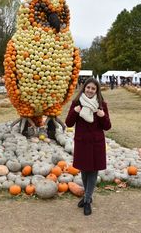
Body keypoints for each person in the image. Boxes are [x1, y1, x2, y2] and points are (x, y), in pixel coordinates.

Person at [65, 77, 111, 216]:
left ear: (96, 91)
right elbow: (68, 123)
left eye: (93, 88)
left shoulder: (101, 104)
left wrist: (102, 116)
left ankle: (87, 201)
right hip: (82, 143)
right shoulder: (76, 103)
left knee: (93, 172)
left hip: (96, 143)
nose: (90, 90)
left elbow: (107, 126)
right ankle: (88, 196)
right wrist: (76, 111)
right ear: (84, 88)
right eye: (88, 87)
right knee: (84, 171)